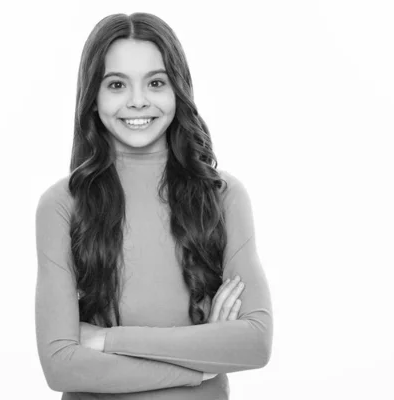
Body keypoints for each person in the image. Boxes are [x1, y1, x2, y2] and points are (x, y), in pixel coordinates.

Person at [35, 12, 273, 400]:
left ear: (177, 91)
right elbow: (61, 365)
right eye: (116, 85)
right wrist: (200, 364)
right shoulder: (62, 205)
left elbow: (255, 344)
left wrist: (106, 340)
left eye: (156, 82)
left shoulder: (223, 196)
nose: (138, 101)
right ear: (93, 98)